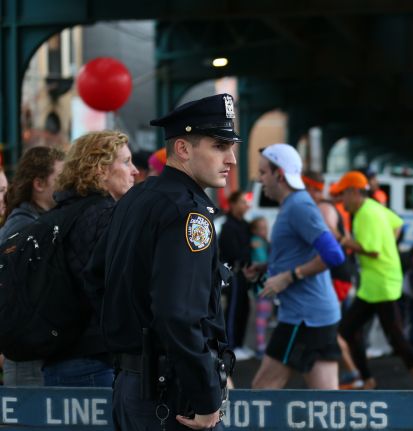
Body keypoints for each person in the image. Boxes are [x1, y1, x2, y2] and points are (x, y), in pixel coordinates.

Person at [96, 94, 240, 430]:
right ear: (183, 149)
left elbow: (96, 278)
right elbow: (179, 313)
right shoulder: (187, 213)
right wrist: (206, 397)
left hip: (133, 384)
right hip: (171, 393)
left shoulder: (137, 198)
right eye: (219, 145)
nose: (231, 158)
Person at [44, 131, 138, 388]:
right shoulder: (107, 214)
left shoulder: (60, 212)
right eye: (126, 162)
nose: (135, 171)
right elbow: (117, 288)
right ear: (100, 169)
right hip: (96, 359)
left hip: (60, 355)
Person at [250, 143, 345, 390]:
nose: (260, 179)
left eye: (263, 173)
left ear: (279, 174)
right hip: (317, 314)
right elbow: (300, 252)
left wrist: (289, 277)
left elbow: (334, 254)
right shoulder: (293, 205)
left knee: (260, 394)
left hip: (303, 318)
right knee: (327, 405)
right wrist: (266, 266)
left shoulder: (299, 207)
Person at [334, 171, 413, 390]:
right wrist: (390, 245)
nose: (341, 200)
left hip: (380, 284)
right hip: (378, 282)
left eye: (343, 194)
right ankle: (367, 380)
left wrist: (341, 240)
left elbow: (372, 251)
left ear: (354, 192)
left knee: (394, 337)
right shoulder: (375, 207)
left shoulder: (366, 214)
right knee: (351, 330)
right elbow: (397, 224)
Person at [0, 146, 65, 386]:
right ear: (39, 184)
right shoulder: (24, 230)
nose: (67, 184)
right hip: (28, 360)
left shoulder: (34, 223)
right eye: (61, 177)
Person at [302, 169, 360, 388]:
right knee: (329, 327)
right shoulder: (320, 206)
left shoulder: (324, 208)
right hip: (335, 273)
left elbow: (332, 239)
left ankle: (353, 373)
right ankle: (351, 372)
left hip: (337, 275)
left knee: (329, 328)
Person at [219, 190, 256, 360]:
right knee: (233, 310)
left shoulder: (245, 225)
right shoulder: (228, 226)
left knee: (244, 308)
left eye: (245, 202)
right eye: (242, 202)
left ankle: (240, 344)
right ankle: (231, 346)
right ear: (232, 204)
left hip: (244, 274)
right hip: (233, 274)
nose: (245, 205)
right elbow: (233, 252)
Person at [249, 216, 272, 359]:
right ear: (254, 230)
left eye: (265, 227)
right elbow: (263, 262)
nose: (265, 230)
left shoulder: (262, 242)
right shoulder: (256, 242)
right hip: (262, 286)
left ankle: (262, 345)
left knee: (265, 316)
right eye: (261, 228)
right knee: (262, 317)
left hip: (265, 284)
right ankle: (260, 346)